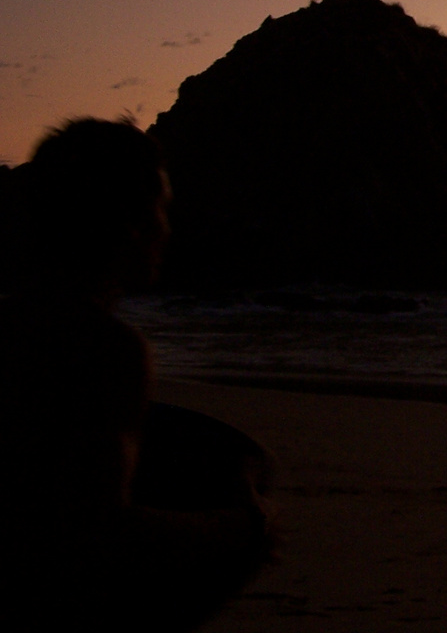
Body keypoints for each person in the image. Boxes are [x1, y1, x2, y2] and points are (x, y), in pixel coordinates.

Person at [0, 117, 273, 630]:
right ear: (130, 225)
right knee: (242, 495)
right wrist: (237, 530)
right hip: (35, 590)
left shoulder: (17, 325)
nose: (168, 231)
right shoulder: (104, 350)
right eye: (160, 212)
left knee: (230, 454)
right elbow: (96, 532)